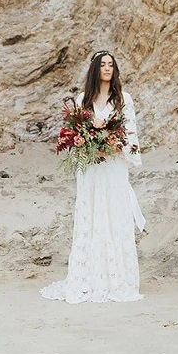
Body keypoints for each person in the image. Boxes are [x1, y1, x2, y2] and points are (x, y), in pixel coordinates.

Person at [40, 50, 146, 303]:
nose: (107, 69)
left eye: (111, 64)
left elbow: (130, 133)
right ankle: (90, 276)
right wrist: (90, 143)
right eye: (103, 65)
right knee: (93, 214)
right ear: (95, 69)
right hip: (92, 167)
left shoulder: (123, 99)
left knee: (114, 214)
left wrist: (112, 143)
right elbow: (73, 134)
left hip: (113, 165)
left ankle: (118, 280)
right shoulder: (82, 100)